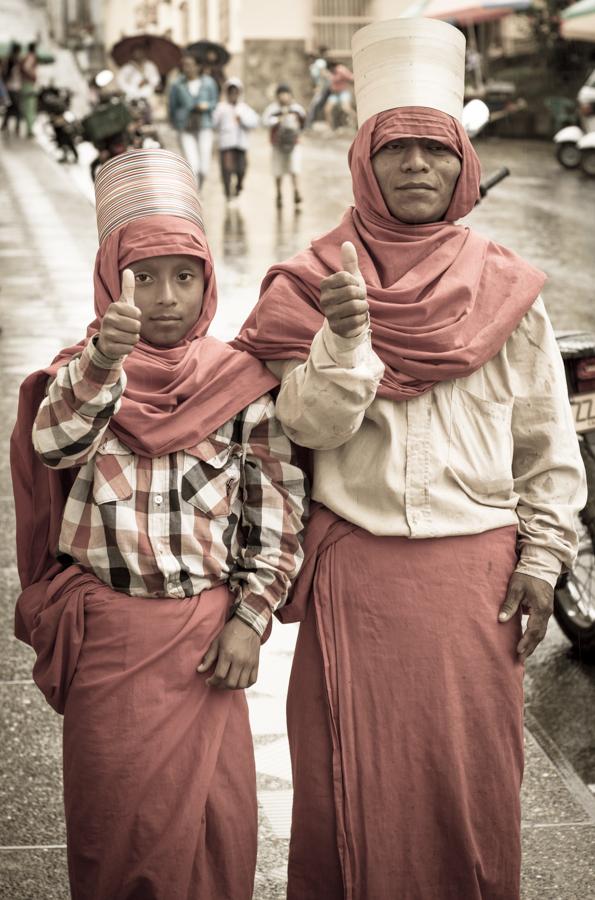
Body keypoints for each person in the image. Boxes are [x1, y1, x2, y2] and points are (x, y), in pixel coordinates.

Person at [233, 17, 587, 900]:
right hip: (358, 584)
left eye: (436, 149)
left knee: (468, 799)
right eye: (397, 150)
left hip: (477, 583)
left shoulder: (508, 289)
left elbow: (545, 443)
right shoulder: (308, 283)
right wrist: (344, 340)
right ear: (365, 160)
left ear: (462, 164)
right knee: (350, 799)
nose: (417, 167)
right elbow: (305, 429)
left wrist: (543, 556)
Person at [11, 148, 307, 900]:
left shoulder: (239, 383)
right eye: (142, 278)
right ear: (113, 282)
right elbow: (54, 443)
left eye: (185, 275)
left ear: (209, 281)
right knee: (120, 836)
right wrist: (104, 363)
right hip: (111, 641)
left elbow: (273, 510)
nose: (165, 297)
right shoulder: (80, 375)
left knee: (216, 836)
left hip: (209, 640)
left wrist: (249, 619)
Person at [168, 53, 219, 189]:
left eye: (190, 65)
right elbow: (172, 107)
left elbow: (215, 102)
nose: (187, 68)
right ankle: (195, 194)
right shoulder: (177, 84)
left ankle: (199, 189)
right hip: (185, 127)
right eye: (184, 65)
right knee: (193, 165)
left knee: (204, 167)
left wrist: (206, 106)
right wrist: (175, 122)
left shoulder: (208, 82)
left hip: (204, 125)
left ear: (198, 66)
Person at [212, 77, 259, 202]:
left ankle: (238, 188)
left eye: (235, 92)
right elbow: (214, 124)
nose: (233, 95)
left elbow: (254, 123)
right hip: (226, 144)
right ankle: (228, 195)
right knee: (226, 170)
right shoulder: (221, 108)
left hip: (241, 145)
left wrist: (241, 119)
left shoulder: (244, 108)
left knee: (241, 169)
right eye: (230, 92)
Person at [262, 84, 305, 209]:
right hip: (277, 144)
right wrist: (277, 120)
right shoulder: (272, 110)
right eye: (281, 94)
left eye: (286, 94)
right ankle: (279, 193)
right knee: (278, 170)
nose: (284, 97)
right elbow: (264, 122)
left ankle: (296, 191)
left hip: (294, 143)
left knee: (295, 168)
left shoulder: (297, 109)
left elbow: (303, 123)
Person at [324, 61, 354, 129]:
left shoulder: (341, 69)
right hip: (334, 94)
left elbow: (351, 77)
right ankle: (330, 128)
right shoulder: (329, 73)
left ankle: (355, 122)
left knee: (346, 108)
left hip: (343, 92)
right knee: (327, 109)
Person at [305, 50, 331, 129]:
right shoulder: (312, 67)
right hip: (320, 88)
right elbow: (314, 79)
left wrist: (320, 86)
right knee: (315, 105)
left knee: (314, 105)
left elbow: (323, 74)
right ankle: (309, 124)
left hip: (324, 87)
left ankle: (308, 124)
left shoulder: (319, 63)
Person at [1, 41, 22, 134]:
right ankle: (15, 127)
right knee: (16, 108)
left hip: (11, 87)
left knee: (10, 107)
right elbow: (7, 74)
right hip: (13, 87)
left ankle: (6, 125)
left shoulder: (12, 60)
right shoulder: (13, 61)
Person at [19, 41, 38, 138]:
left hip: (25, 84)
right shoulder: (31, 57)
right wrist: (33, 75)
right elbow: (26, 67)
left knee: (28, 108)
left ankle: (29, 129)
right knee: (30, 109)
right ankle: (30, 130)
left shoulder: (25, 56)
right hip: (28, 85)